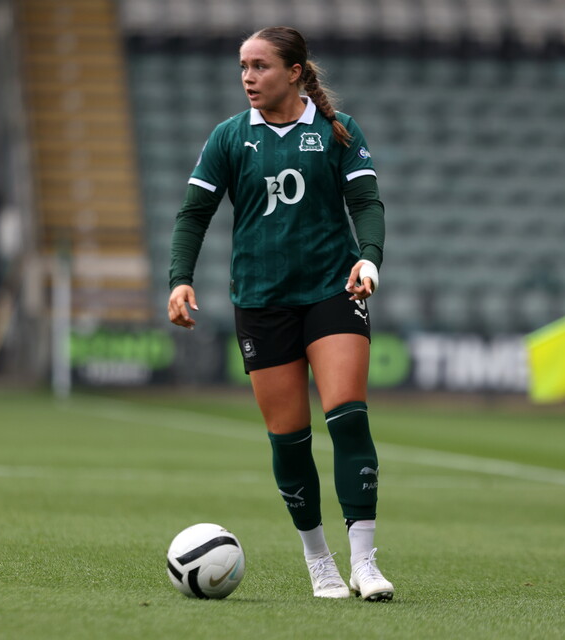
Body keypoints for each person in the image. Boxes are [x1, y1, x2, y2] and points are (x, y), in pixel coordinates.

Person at [167, 26, 393, 601]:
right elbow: (194, 214)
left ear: (295, 72)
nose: (248, 77)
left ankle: (365, 564)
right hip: (262, 301)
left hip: (332, 291)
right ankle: (319, 562)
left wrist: (368, 260)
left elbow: (365, 202)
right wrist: (180, 280)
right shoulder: (228, 138)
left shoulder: (338, 132)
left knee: (348, 416)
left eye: (260, 66)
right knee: (289, 439)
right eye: (243, 66)